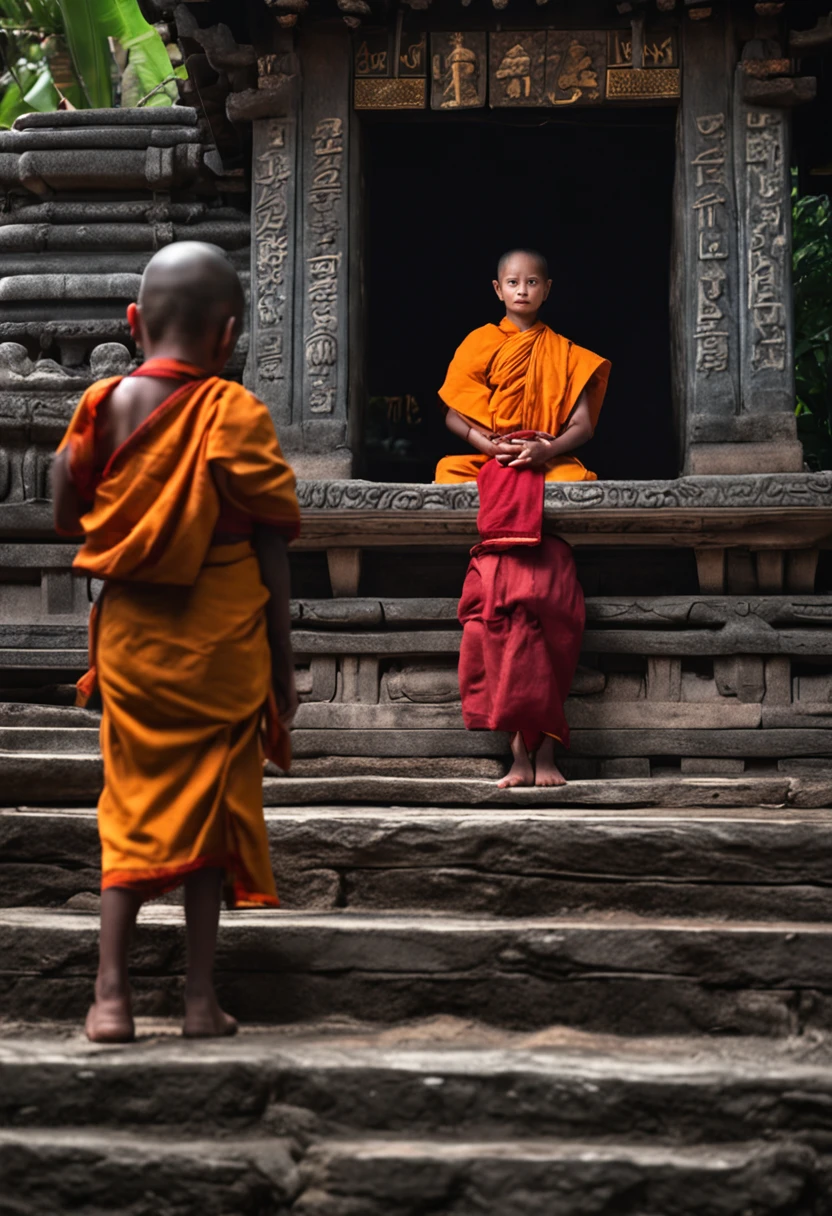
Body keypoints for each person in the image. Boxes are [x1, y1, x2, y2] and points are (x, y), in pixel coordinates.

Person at [52, 241, 300, 1044]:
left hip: (134, 639)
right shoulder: (239, 414)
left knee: (131, 806)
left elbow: (65, 510)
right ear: (229, 336)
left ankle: (110, 997)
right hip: (225, 639)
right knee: (214, 818)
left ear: (133, 323)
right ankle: (198, 999)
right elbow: (271, 550)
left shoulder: (102, 404)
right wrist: (283, 668)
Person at [436, 249, 610, 788]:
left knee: (574, 484)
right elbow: (453, 413)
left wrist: (544, 450)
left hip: (546, 457)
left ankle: (540, 753)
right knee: (448, 475)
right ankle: (522, 753)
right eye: (513, 282)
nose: (522, 290)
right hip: (489, 458)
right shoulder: (479, 343)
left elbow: (582, 424)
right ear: (497, 288)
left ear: (547, 288)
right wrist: (486, 443)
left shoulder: (563, 351)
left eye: (532, 282)